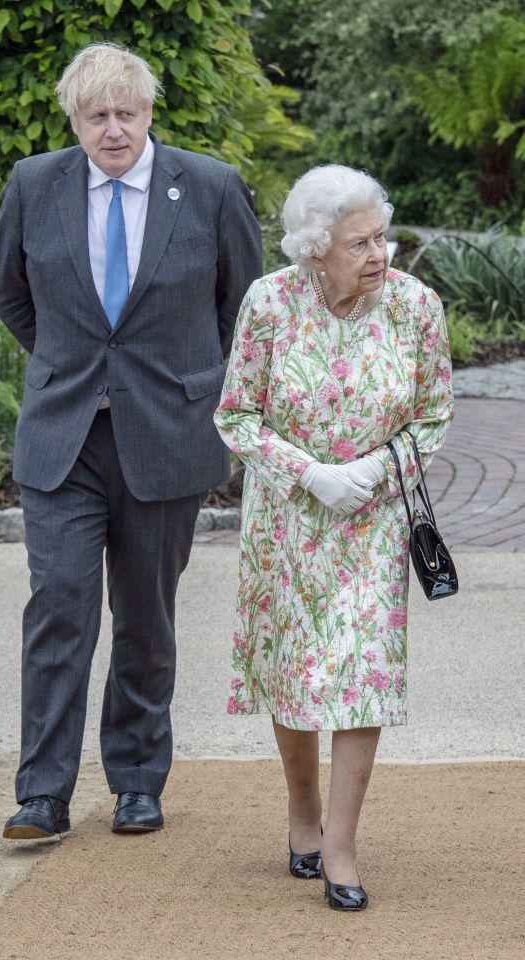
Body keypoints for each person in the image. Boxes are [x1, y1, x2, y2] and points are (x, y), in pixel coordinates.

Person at [0, 42, 262, 840]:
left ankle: (138, 780)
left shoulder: (207, 187)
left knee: (145, 616)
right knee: (59, 608)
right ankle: (42, 793)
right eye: (96, 115)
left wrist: (189, 381)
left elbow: (241, 308)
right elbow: (13, 295)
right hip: (63, 436)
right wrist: (75, 365)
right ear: (73, 119)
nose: (114, 129)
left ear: (149, 112)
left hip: (167, 433)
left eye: (127, 113)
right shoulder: (34, 185)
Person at [214, 164, 453, 910]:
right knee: (295, 670)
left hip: (374, 518)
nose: (378, 254)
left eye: (382, 236)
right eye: (359, 243)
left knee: (361, 675)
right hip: (290, 515)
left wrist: (378, 468)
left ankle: (341, 846)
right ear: (315, 249)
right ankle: (301, 812)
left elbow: (433, 416)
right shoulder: (270, 303)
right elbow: (236, 416)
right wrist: (309, 472)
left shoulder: (415, 308)